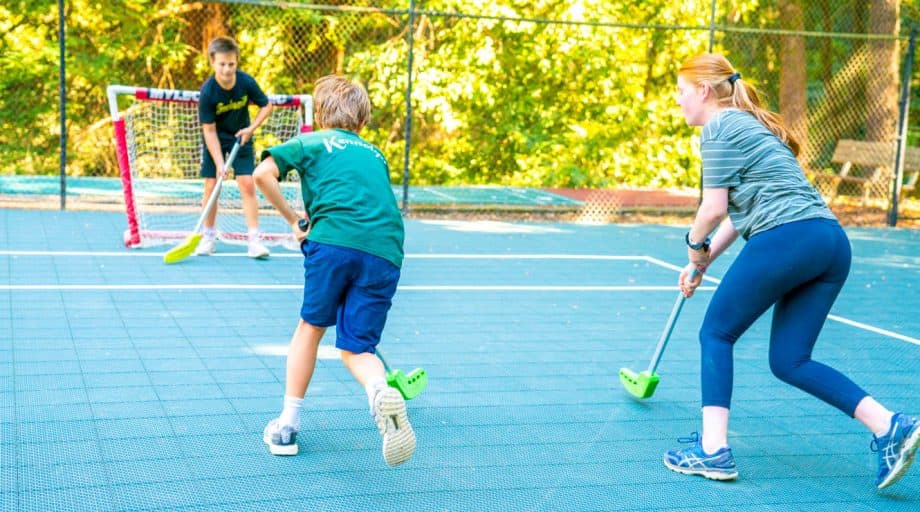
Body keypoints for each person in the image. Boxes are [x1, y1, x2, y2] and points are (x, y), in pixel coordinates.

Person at [663, 53, 919, 489]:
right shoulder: (751, 126)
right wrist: (704, 259)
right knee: (789, 360)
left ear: (703, 91)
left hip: (789, 238)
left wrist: (691, 245)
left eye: (682, 93)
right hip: (828, 242)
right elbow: (740, 217)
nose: (680, 102)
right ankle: (890, 425)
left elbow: (713, 207)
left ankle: (713, 451)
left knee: (716, 333)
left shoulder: (719, 128)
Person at [252, 75, 415, 467]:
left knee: (310, 328)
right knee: (357, 348)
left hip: (333, 244)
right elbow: (363, 200)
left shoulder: (311, 141)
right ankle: (379, 392)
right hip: (386, 251)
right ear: (363, 121)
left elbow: (262, 175)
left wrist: (294, 220)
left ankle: (287, 426)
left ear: (321, 114)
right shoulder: (376, 154)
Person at [195, 36, 273, 259]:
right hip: (216, 139)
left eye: (231, 64)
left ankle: (254, 240)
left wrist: (251, 128)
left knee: (247, 184)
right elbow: (208, 131)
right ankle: (208, 237)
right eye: (222, 64)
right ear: (212, 62)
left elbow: (266, 105)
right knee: (212, 185)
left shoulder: (245, 82)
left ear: (237, 61)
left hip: (242, 137)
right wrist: (220, 163)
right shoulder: (208, 92)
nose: (227, 69)